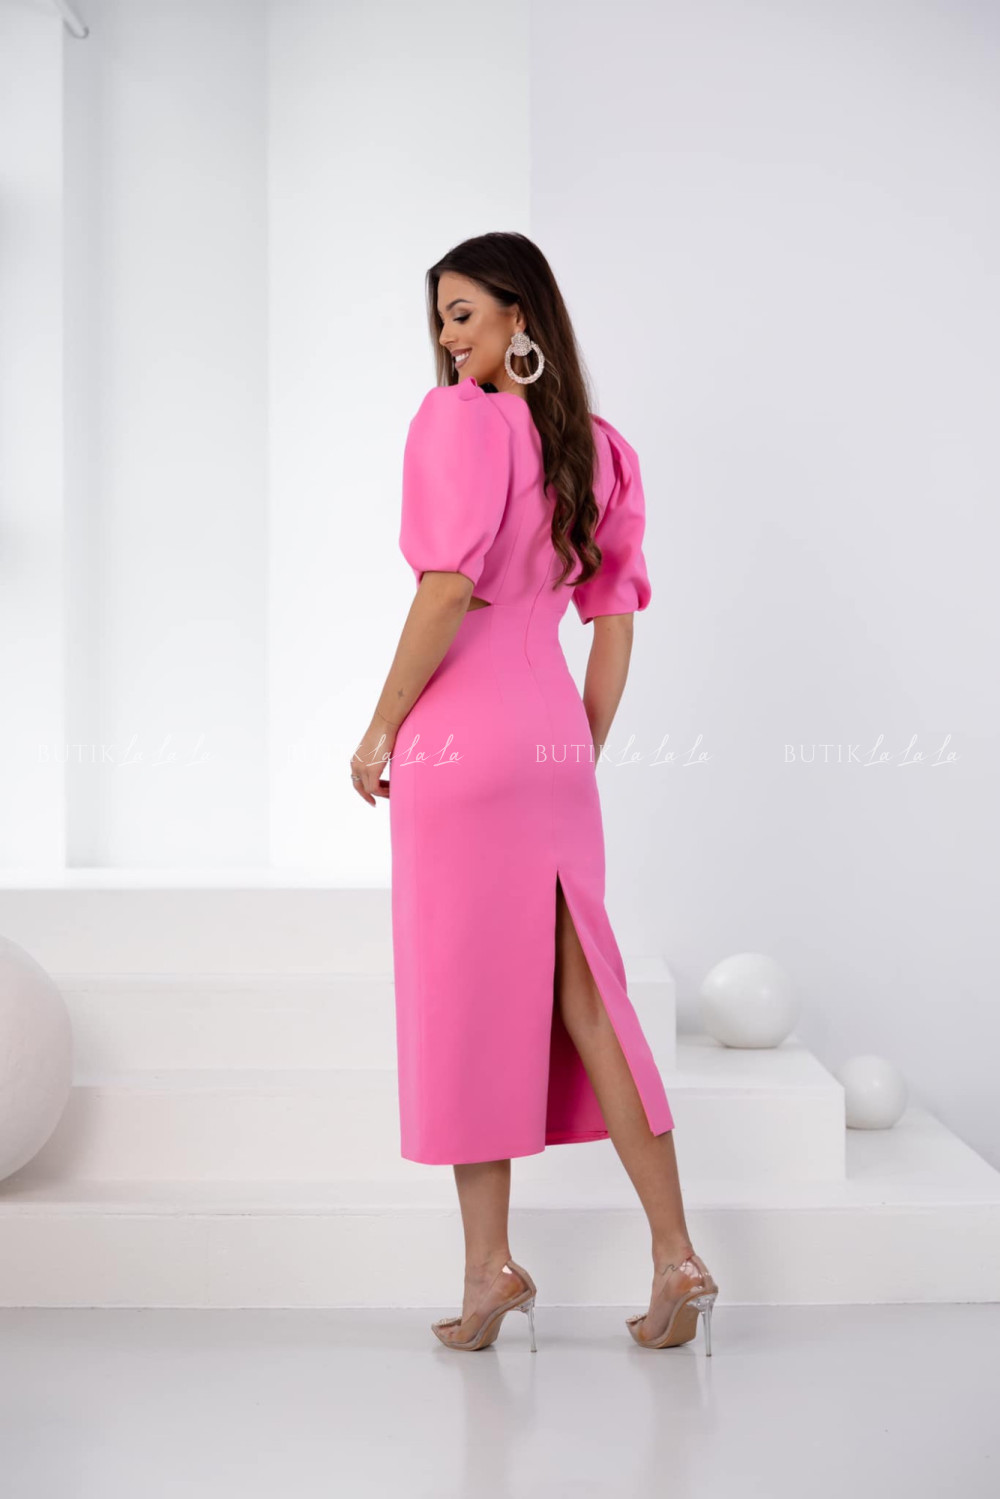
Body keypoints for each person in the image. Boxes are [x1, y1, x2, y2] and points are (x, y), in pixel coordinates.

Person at [350, 232, 718, 1354]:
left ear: (521, 316)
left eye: (464, 312)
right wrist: (574, 746)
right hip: (550, 729)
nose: (447, 335)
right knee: (589, 995)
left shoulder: (456, 421)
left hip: (461, 738)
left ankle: (489, 1268)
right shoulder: (600, 450)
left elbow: (446, 587)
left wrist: (379, 727)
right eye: (439, 317)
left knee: (466, 996)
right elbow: (613, 621)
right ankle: (675, 1250)